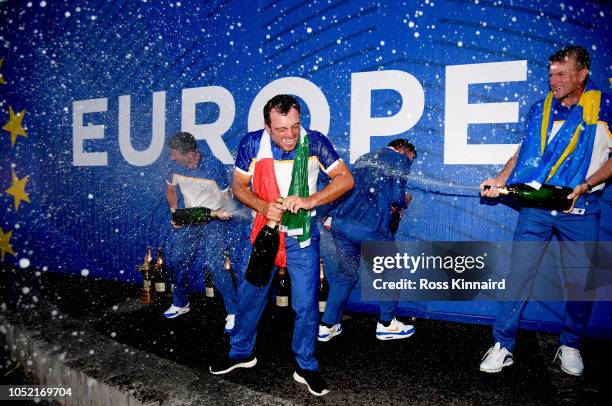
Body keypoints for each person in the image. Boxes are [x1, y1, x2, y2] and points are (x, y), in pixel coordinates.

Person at [209, 94, 354, 397]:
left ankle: (306, 365)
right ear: (267, 126)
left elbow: (345, 179)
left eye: (294, 127)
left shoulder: (314, 142)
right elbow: (238, 186)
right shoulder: (251, 143)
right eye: (281, 130)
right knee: (251, 297)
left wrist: (310, 200)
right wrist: (262, 205)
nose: (289, 136)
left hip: (302, 237)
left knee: (306, 305)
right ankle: (241, 353)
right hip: (265, 234)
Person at [479, 46, 612, 376]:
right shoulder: (540, 108)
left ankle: (570, 344)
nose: (554, 80)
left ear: (582, 74)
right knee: (518, 277)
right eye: (551, 73)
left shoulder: (605, 106)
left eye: (562, 73)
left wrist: (585, 184)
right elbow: (524, 155)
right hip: (538, 208)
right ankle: (503, 345)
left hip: (581, 207)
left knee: (581, 282)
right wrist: (499, 180)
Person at [318, 139, 417, 342]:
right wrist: (403, 201)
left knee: (345, 275)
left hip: (340, 223)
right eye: (411, 158)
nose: (409, 163)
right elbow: (396, 197)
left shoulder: (365, 158)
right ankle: (387, 324)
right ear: (403, 149)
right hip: (367, 227)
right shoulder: (399, 159)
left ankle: (327, 325)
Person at [163, 132, 239, 334]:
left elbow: (227, 196)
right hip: (190, 220)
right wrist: (175, 213)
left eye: (174, 154)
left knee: (215, 264)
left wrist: (226, 211)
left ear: (189, 154)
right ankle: (181, 303)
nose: (171, 157)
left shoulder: (213, 166)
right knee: (177, 259)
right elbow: (170, 189)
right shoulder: (173, 166)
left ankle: (233, 311)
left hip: (214, 221)